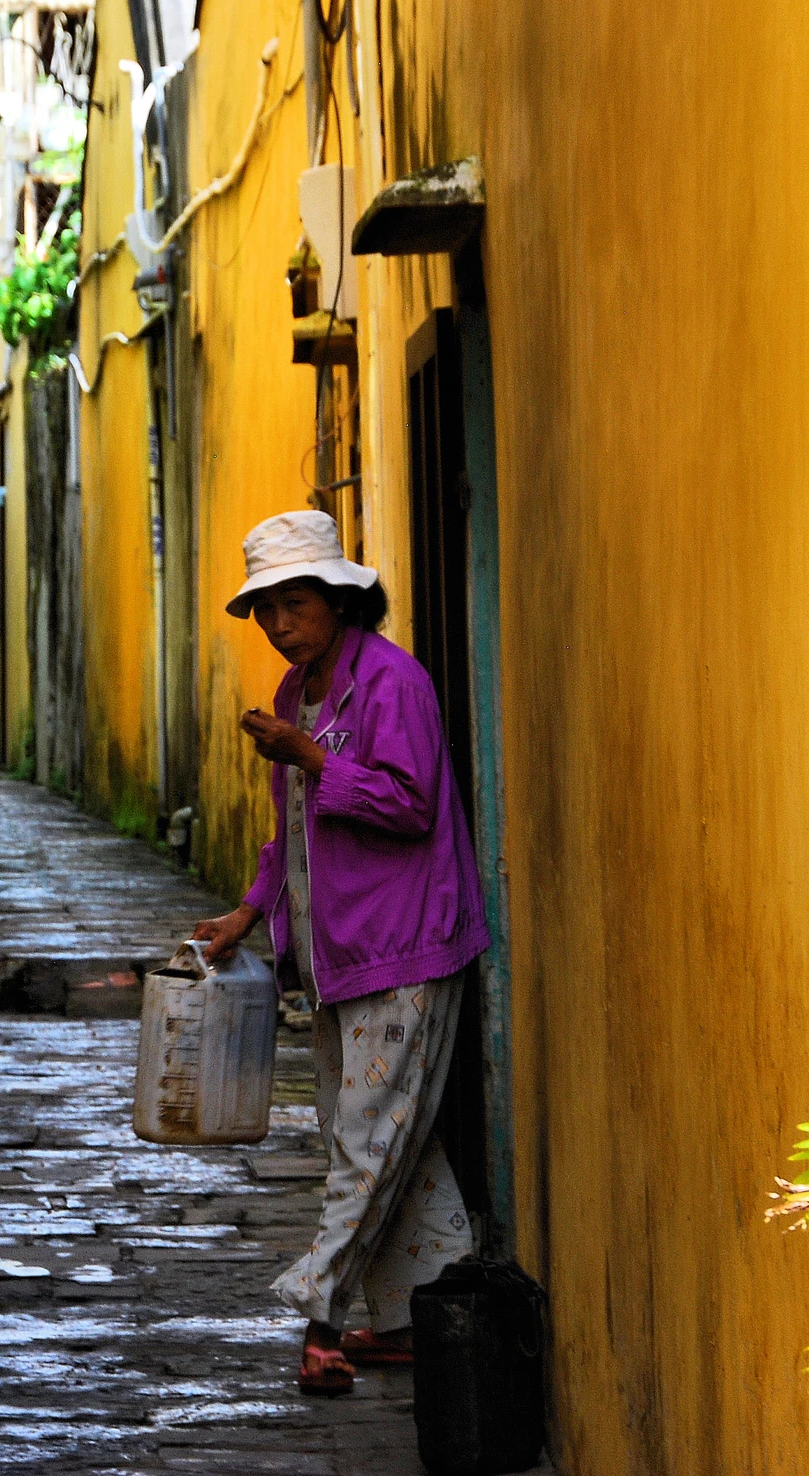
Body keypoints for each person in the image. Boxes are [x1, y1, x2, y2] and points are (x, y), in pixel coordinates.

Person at [193, 509, 490, 1397]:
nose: (281, 627)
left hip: (406, 945)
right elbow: (291, 835)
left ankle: (320, 1316)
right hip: (333, 952)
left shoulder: (392, 685)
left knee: (368, 1138)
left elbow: (407, 805)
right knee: (378, 1137)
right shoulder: (297, 698)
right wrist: (250, 912)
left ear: (340, 600)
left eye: (295, 605)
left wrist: (308, 758)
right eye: (267, 612)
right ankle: (417, 1317)